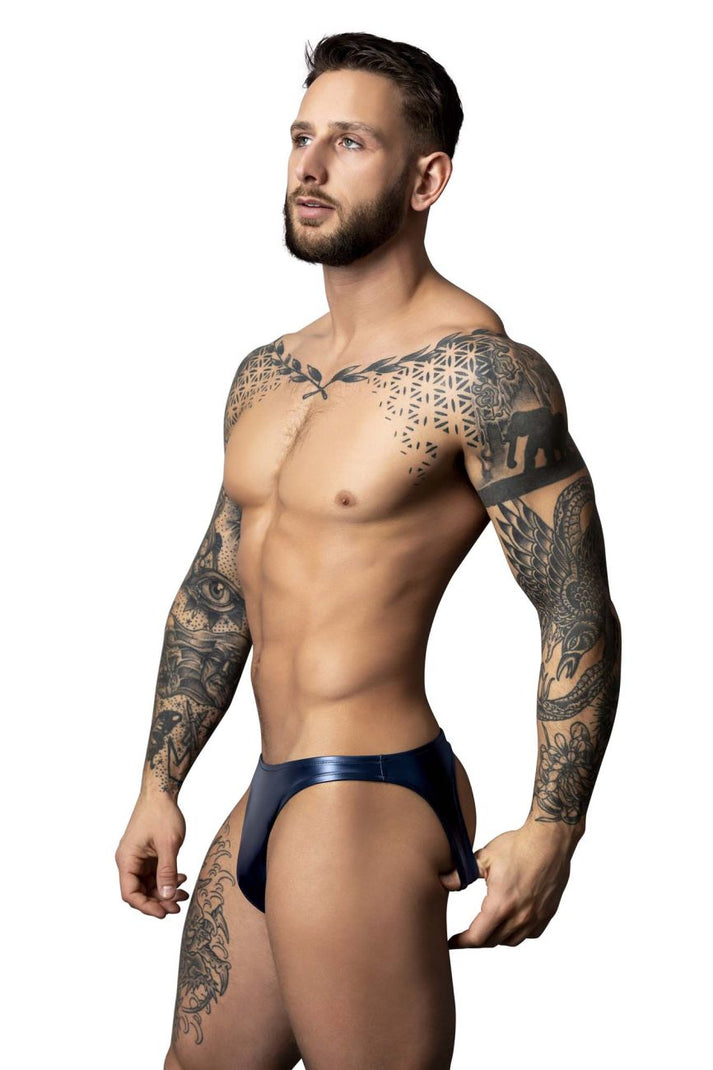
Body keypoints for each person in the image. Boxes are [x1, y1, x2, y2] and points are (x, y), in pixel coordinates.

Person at [115, 30, 622, 1070]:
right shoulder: (266, 375)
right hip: (271, 781)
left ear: (425, 179)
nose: (309, 165)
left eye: (349, 142)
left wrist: (553, 824)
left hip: (365, 788)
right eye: (301, 136)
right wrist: (158, 780)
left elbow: (572, 603)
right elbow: (219, 589)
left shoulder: (483, 374)